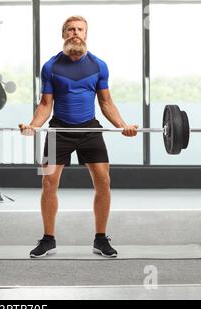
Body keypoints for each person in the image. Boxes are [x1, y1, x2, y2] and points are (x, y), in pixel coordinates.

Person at [19, 15, 138, 258]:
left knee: (103, 181)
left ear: (86, 34)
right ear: (63, 34)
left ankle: (101, 238)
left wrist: (122, 125)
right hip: (58, 130)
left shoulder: (98, 65)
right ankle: (48, 239)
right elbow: (45, 104)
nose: (75, 33)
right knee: (47, 182)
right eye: (70, 29)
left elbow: (106, 103)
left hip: (90, 129)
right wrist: (32, 125)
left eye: (80, 29)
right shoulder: (51, 66)